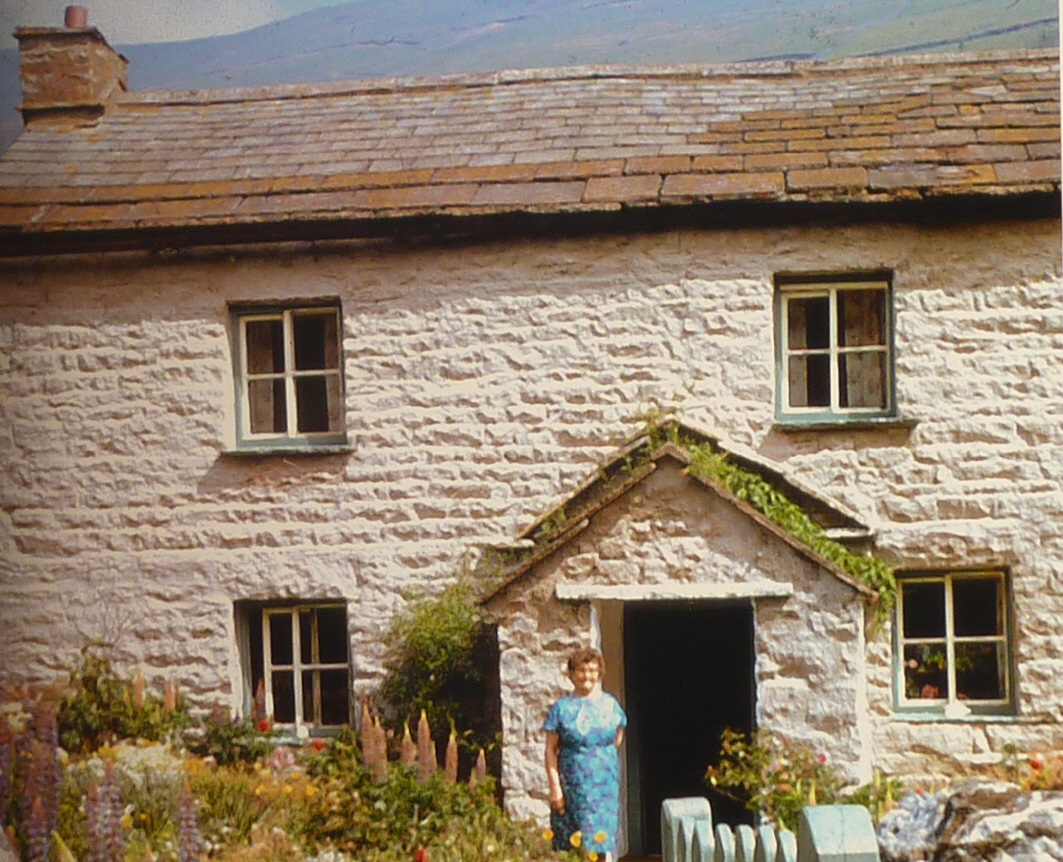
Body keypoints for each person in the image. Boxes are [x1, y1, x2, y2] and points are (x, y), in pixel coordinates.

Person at [543, 647, 627, 860]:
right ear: (571, 674)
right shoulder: (561, 708)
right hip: (573, 788)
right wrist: (556, 790)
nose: (586, 675)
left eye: (591, 670)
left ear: (599, 673)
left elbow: (617, 737)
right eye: (581, 670)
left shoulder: (611, 705)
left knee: (600, 845)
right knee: (573, 847)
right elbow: (550, 751)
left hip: (604, 790)